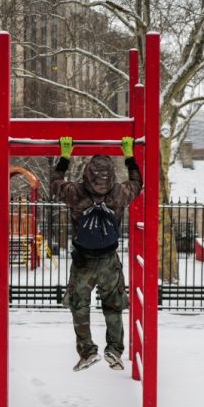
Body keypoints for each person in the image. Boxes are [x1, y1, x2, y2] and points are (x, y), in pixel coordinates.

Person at [51, 136, 143, 371]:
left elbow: (55, 182)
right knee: (113, 306)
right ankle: (114, 349)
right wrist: (129, 155)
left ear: (87, 174)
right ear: (111, 175)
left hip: (83, 260)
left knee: (79, 305)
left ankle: (87, 351)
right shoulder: (120, 194)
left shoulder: (76, 193)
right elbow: (137, 182)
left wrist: (65, 156)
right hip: (109, 261)